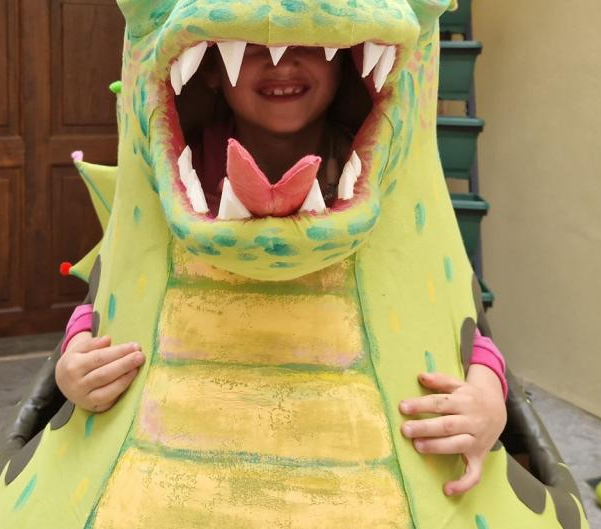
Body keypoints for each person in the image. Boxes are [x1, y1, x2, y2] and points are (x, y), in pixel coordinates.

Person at [53, 44, 508, 496]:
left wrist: (489, 397)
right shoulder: (174, 166)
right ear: (211, 70)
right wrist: (73, 361)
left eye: (310, 44)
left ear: (344, 63)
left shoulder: (379, 164)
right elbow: (117, 286)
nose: (280, 62)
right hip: (204, 443)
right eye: (247, 47)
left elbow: (453, 314)